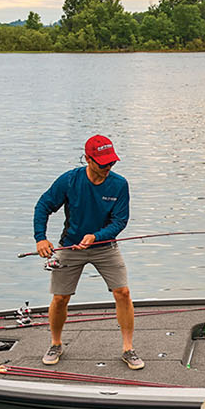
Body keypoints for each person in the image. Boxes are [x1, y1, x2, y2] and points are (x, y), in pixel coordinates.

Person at [33, 134, 143, 370]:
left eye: (111, 163)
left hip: (105, 246)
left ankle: (128, 349)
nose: (107, 167)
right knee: (61, 298)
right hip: (71, 246)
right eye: (103, 163)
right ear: (88, 159)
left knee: (122, 292)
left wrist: (97, 236)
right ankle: (56, 344)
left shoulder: (119, 184)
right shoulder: (69, 181)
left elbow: (119, 221)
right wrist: (40, 238)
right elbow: (43, 205)